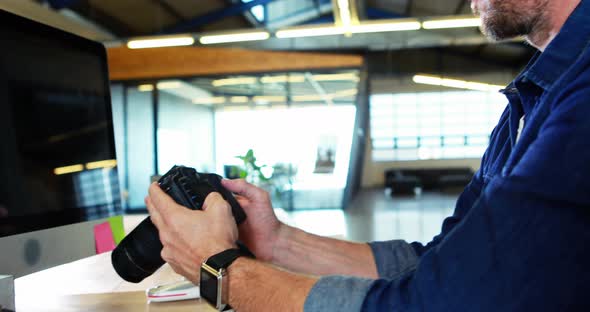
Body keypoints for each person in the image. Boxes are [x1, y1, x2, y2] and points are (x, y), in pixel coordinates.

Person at [146, 0, 590, 310]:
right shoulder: (528, 103)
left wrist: (220, 270)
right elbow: (438, 262)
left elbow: (440, 305)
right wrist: (278, 241)